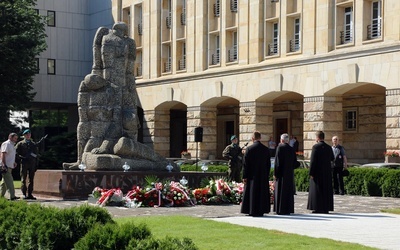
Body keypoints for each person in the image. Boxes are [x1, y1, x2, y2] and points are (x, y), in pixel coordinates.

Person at [241, 131, 271, 217]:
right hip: (262, 175)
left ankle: (252, 210)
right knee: (261, 193)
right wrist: (267, 174)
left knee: (252, 192)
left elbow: (245, 165)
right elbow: (268, 164)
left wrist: (244, 176)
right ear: (260, 138)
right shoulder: (266, 149)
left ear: (252, 138)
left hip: (251, 175)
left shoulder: (249, 149)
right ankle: (261, 210)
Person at [307, 131, 334, 214]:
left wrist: (311, 173)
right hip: (326, 172)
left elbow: (313, 161)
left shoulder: (316, 147)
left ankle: (317, 207)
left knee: (317, 190)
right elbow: (332, 158)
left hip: (317, 172)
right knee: (326, 190)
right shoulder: (329, 147)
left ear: (317, 138)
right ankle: (326, 208)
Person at [273, 133, 299, 215]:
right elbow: (295, 163)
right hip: (289, 174)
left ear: (282, 140)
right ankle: (288, 208)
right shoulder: (291, 149)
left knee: (280, 192)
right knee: (288, 192)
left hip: (281, 174)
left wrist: (275, 173)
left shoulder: (280, 147)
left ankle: (280, 209)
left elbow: (277, 162)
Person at [15, 129, 39, 200]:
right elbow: (16, 153)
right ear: (24, 135)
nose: (28, 135)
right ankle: (24, 194)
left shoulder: (33, 144)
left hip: (32, 163)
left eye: (29, 134)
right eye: (27, 134)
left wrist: (36, 164)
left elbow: (37, 155)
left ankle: (30, 194)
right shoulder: (20, 144)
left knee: (31, 179)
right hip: (24, 163)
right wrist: (21, 158)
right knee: (23, 179)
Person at [0, 133, 19, 200]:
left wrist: (14, 162)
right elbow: (3, 154)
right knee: (10, 181)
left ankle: (1, 196)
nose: (16, 140)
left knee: (4, 182)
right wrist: (4, 165)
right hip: (6, 166)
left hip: (9, 165)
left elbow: (10, 155)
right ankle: (12, 196)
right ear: (10, 137)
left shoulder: (12, 145)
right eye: (15, 138)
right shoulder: (6, 144)